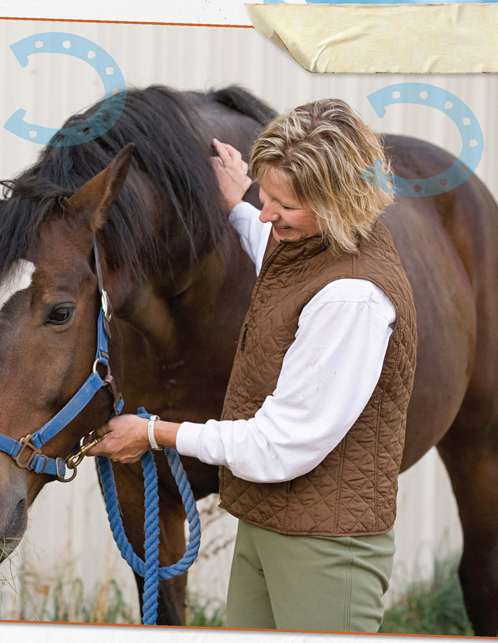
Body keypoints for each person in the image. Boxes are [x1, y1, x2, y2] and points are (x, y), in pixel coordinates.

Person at [87, 98, 417, 632]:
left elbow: (276, 446)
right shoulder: (319, 244)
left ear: (337, 201)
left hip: (325, 551)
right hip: (270, 526)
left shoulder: (352, 299)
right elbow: (280, 257)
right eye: (265, 195)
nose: (266, 213)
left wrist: (154, 433)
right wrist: (238, 200)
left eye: (282, 204)